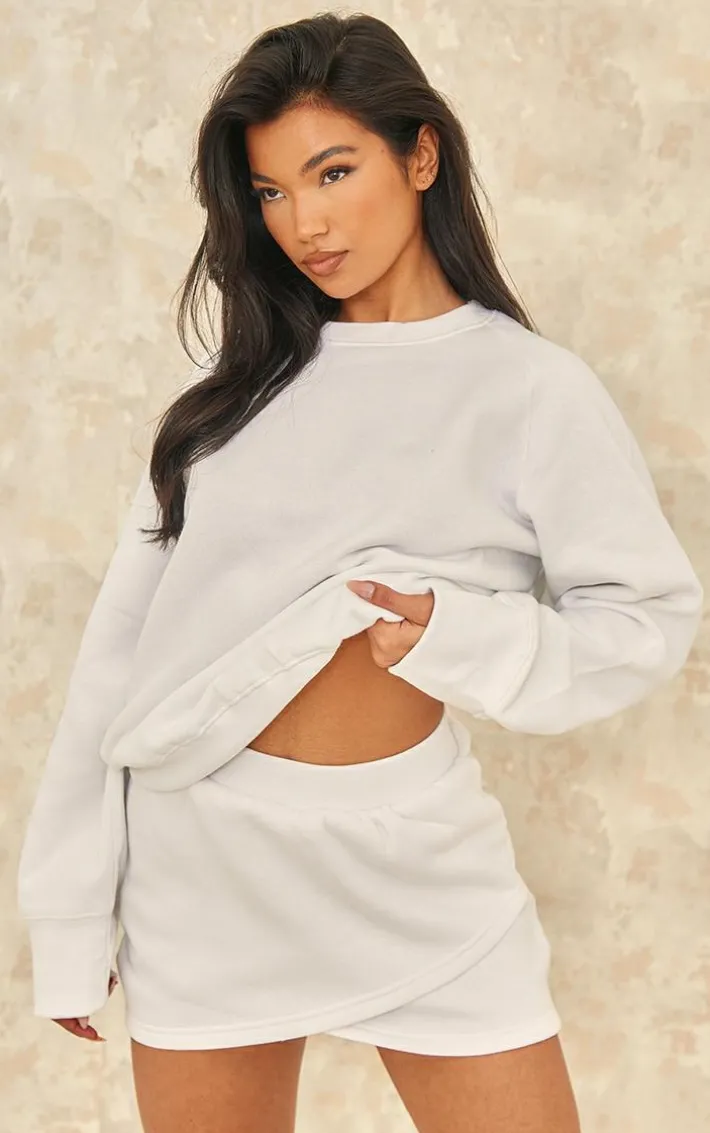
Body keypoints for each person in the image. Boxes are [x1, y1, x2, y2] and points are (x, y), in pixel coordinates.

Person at [17, 12, 703, 1133]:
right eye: (272, 191)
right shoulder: (231, 394)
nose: (305, 223)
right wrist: (69, 913)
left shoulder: (530, 390)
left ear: (420, 155)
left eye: (333, 172)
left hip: (416, 860)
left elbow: (643, 618)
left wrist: (461, 635)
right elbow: (120, 661)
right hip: (206, 865)